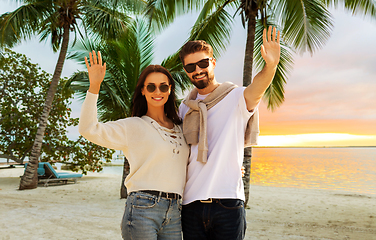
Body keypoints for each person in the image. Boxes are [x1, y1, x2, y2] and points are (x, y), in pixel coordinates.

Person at [178, 26, 281, 239]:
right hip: (191, 205)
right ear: (186, 71)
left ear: (213, 63)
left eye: (203, 63)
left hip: (228, 204)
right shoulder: (184, 108)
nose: (198, 69)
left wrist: (271, 66)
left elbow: (257, 88)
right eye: (191, 66)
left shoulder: (235, 97)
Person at [78, 51, 189, 240]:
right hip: (143, 208)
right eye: (151, 87)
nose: (157, 92)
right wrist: (95, 86)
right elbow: (88, 129)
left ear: (170, 89)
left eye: (163, 87)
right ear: (142, 90)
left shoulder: (181, 127)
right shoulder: (133, 125)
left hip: (175, 211)